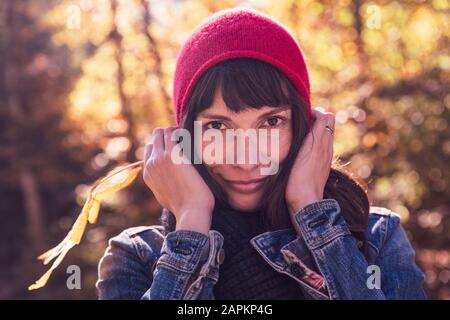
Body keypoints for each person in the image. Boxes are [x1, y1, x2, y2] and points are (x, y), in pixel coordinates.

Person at [96, 8, 427, 300]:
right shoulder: (136, 257)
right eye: (217, 127)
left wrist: (311, 210)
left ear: (304, 127)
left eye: (271, 122)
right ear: (183, 137)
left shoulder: (374, 236)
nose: (246, 159)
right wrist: (192, 221)